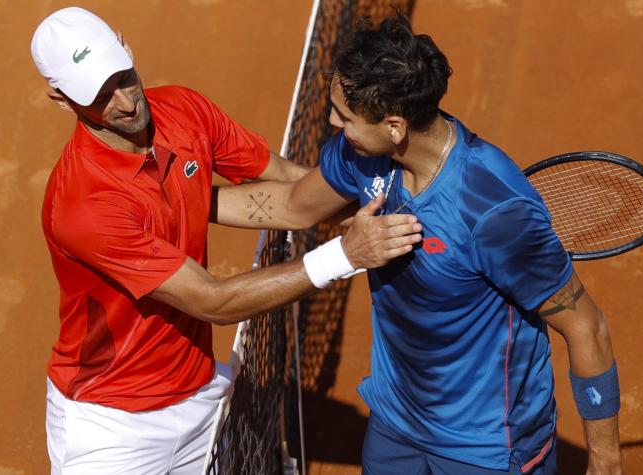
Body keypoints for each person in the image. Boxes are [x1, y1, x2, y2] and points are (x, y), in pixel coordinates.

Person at [215, 14, 623, 475]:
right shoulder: (362, 154)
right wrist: (183, 202)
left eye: (345, 117)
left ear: (394, 126)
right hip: (396, 420)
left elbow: (588, 327)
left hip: (487, 446)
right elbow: (293, 204)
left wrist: (605, 463)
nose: (332, 123)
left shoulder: (491, 211)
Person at [30, 7, 422, 475]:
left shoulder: (184, 111)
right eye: (99, 95)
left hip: (202, 395)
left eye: (122, 77)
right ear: (61, 99)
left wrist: (376, 198)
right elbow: (212, 301)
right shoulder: (85, 203)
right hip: (113, 426)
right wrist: (346, 253)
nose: (125, 101)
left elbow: (293, 191)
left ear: (125, 46)